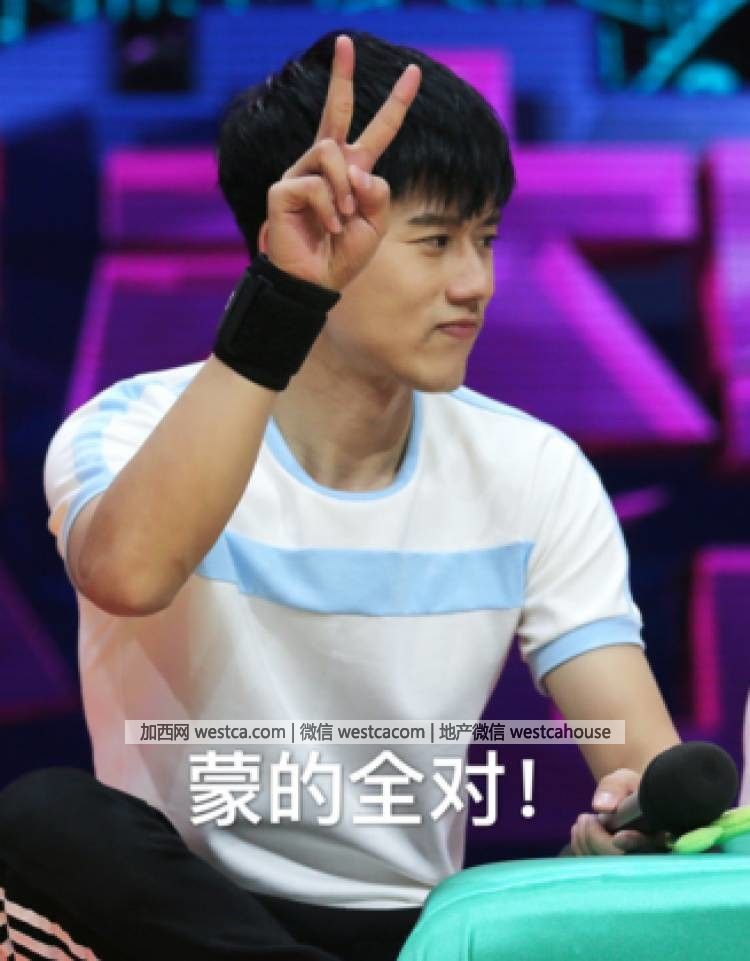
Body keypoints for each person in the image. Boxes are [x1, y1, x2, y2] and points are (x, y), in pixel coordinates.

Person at [0, 29, 680, 961]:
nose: (475, 282)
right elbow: (129, 572)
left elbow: (644, 766)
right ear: (299, 232)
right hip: (176, 916)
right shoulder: (127, 426)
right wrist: (280, 301)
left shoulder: (534, 468)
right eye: (435, 241)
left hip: (411, 927)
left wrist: (633, 825)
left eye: (484, 239)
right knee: (48, 821)